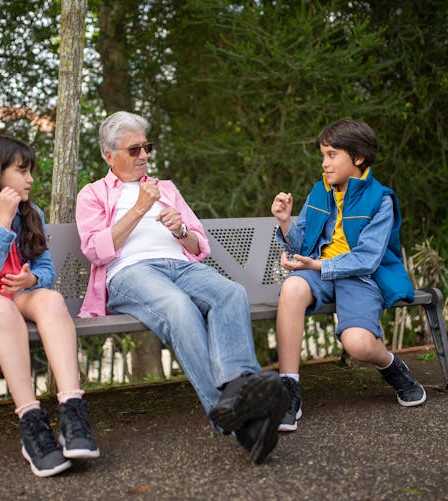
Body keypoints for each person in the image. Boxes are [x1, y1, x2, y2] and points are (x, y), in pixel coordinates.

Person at [75, 111, 289, 464]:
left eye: (147, 147)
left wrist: (180, 231)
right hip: (130, 273)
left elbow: (198, 245)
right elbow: (95, 251)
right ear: (108, 155)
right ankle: (232, 415)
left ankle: (237, 389)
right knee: (177, 306)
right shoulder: (93, 194)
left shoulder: (168, 189)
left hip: (180, 264)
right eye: (134, 150)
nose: (144, 155)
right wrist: (141, 206)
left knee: (230, 293)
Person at [0, 134, 99, 477]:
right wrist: (3, 220)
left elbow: (47, 270)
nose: (30, 179)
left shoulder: (32, 213)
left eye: (31, 171)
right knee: (1, 308)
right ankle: (30, 422)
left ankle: (72, 411)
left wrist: (32, 281)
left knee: (52, 300)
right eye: (21, 170)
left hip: (18, 294)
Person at [271, 119, 426, 432]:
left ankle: (392, 365)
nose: (324, 163)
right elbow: (304, 242)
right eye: (323, 155)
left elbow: (367, 259)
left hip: (360, 278)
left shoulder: (381, 199)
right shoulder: (321, 191)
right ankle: (289, 389)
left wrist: (316, 266)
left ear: (358, 157)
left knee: (357, 344)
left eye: (331, 155)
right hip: (322, 273)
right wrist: (286, 222)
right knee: (292, 289)